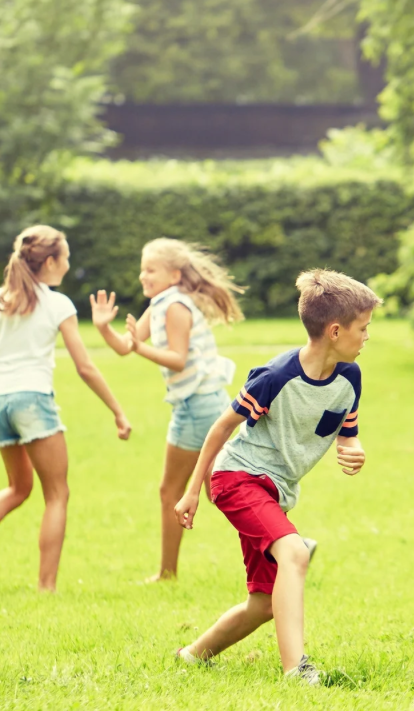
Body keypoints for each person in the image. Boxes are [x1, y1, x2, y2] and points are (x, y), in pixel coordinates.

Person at [172, 269, 380, 685]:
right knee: (295, 554)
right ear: (335, 330)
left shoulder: (349, 377)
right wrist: (192, 491)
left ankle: (192, 656)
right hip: (237, 478)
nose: (367, 337)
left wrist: (352, 450)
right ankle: (296, 670)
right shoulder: (275, 377)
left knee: (264, 602)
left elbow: (347, 434)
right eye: (363, 328)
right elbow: (220, 428)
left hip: (277, 491)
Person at [0, 226, 131, 593]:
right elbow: (85, 366)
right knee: (57, 494)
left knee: (18, 488)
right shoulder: (57, 304)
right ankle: (46, 587)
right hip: (33, 399)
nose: (69, 266)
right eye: (66, 258)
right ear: (51, 261)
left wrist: (11, 357)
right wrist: (118, 411)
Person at [89, 238, 243, 581]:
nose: (143, 275)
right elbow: (126, 347)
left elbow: (177, 358)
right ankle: (288, 546)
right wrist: (103, 327)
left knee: (186, 491)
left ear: (174, 275)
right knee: (221, 490)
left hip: (198, 407)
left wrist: (142, 348)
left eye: (151, 269)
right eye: (142, 268)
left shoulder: (175, 307)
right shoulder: (160, 303)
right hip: (201, 404)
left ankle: (168, 573)